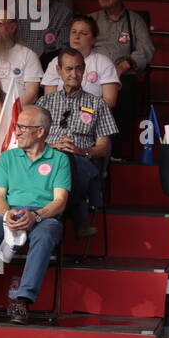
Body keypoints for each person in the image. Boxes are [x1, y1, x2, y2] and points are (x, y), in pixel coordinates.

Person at [0, 107, 70, 325]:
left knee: (44, 237)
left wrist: (36, 216)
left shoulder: (59, 160)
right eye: (18, 126)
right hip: (10, 212)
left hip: (45, 217)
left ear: (41, 132)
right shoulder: (7, 158)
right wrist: (7, 214)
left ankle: (23, 300)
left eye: (23, 127)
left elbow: (59, 201)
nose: (18, 131)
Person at [37, 49, 118, 240]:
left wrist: (80, 150)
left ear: (84, 70)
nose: (74, 74)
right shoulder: (44, 101)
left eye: (79, 69)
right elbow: (33, 138)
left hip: (82, 159)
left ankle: (53, 214)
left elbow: (103, 147)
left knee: (70, 160)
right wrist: (52, 148)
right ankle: (79, 214)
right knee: (59, 159)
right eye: (68, 69)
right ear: (58, 71)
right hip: (46, 157)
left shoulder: (98, 104)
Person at [91, 0, 154, 157]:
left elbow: (147, 50)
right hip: (93, 75)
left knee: (126, 91)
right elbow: (78, 47)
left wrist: (125, 65)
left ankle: (117, 154)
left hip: (122, 77)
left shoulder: (134, 20)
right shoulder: (91, 20)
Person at [41, 15, 120, 107]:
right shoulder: (56, 61)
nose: (76, 36)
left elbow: (109, 102)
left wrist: (83, 111)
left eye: (83, 33)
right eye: (73, 32)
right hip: (60, 113)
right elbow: (49, 99)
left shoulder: (104, 63)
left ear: (93, 40)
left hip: (92, 115)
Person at [0, 10, 42, 105]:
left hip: (17, 112)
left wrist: (11, 113)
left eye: (0, 23)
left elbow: (32, 94)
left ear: (13, 27)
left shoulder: (28, 55)